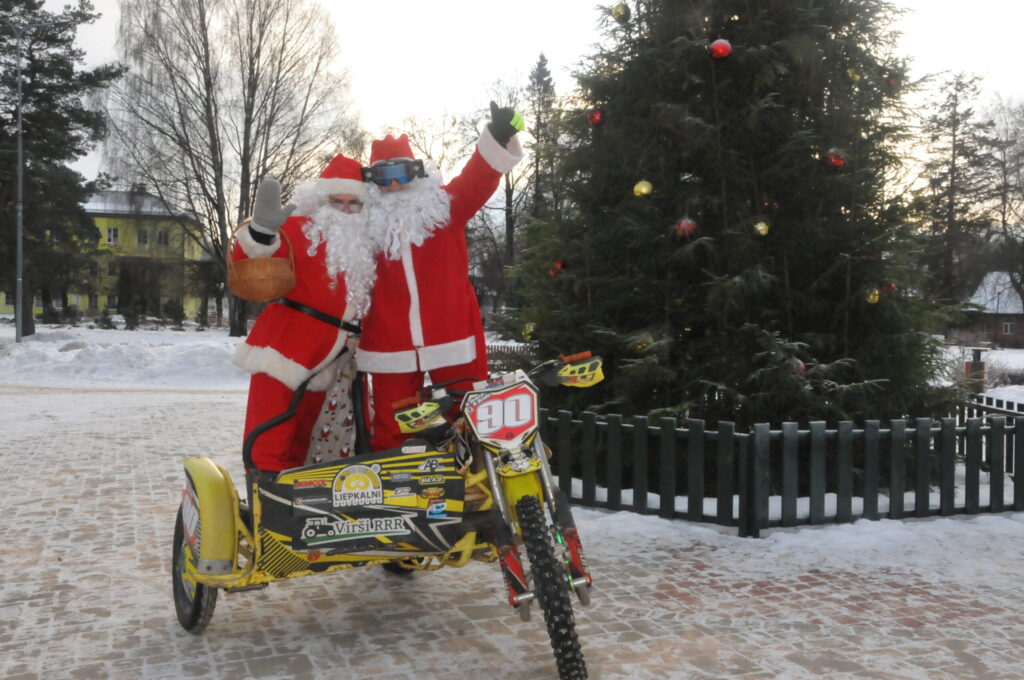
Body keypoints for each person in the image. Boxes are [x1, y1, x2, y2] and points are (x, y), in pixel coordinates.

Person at [357, 102, 525, 450]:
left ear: (417, 173)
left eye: (401, 173)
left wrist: (496, 135)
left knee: (468, 413)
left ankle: (475, 481)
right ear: (371, 182)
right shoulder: (363, 227)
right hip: (389, 342)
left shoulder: (446, 207)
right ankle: (396, 489)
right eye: (382, 177)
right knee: (392, 423)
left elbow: (477, 178)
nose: (393, 186)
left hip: (452, 334)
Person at [231, 153, 377, 471]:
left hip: (337, 362)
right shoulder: (298, 230)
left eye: (355, 203)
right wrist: (261, 231)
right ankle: (265, 504)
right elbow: (252, 259)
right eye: (337, 202)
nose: (347, 210)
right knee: (269, 439)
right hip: (285, 351)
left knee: (308, 440)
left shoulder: (369, 245)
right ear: (321, 202)